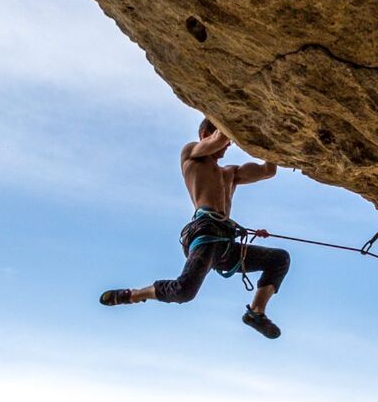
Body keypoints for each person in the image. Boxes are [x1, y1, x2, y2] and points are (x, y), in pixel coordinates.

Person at [100, 118, 290, 338]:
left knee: (279, 259)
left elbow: (268, 170)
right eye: (227, 142)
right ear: (204, 135)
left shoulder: (230, 174)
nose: (229, 146)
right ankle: (133, 295)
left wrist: (272, 142)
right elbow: (221, 137)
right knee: (184, 291)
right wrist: (241, 118)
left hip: (225, 243)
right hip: (205, 232)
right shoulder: (192, 154)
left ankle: (256, 313)